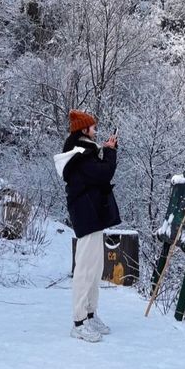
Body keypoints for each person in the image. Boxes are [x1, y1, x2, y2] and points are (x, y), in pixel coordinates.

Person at [53, 109, 121, 342]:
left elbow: (98, 171)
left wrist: (106, 150)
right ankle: (79, 321)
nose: (95, 130)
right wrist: (110, 152)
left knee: (94, 268)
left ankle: (90, 315)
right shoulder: (80, 155)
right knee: (84, 270)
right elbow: (104, 173)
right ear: (84, 130)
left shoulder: (85, 153)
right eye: (92, 127)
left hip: (93, 215)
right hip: (87, 215)